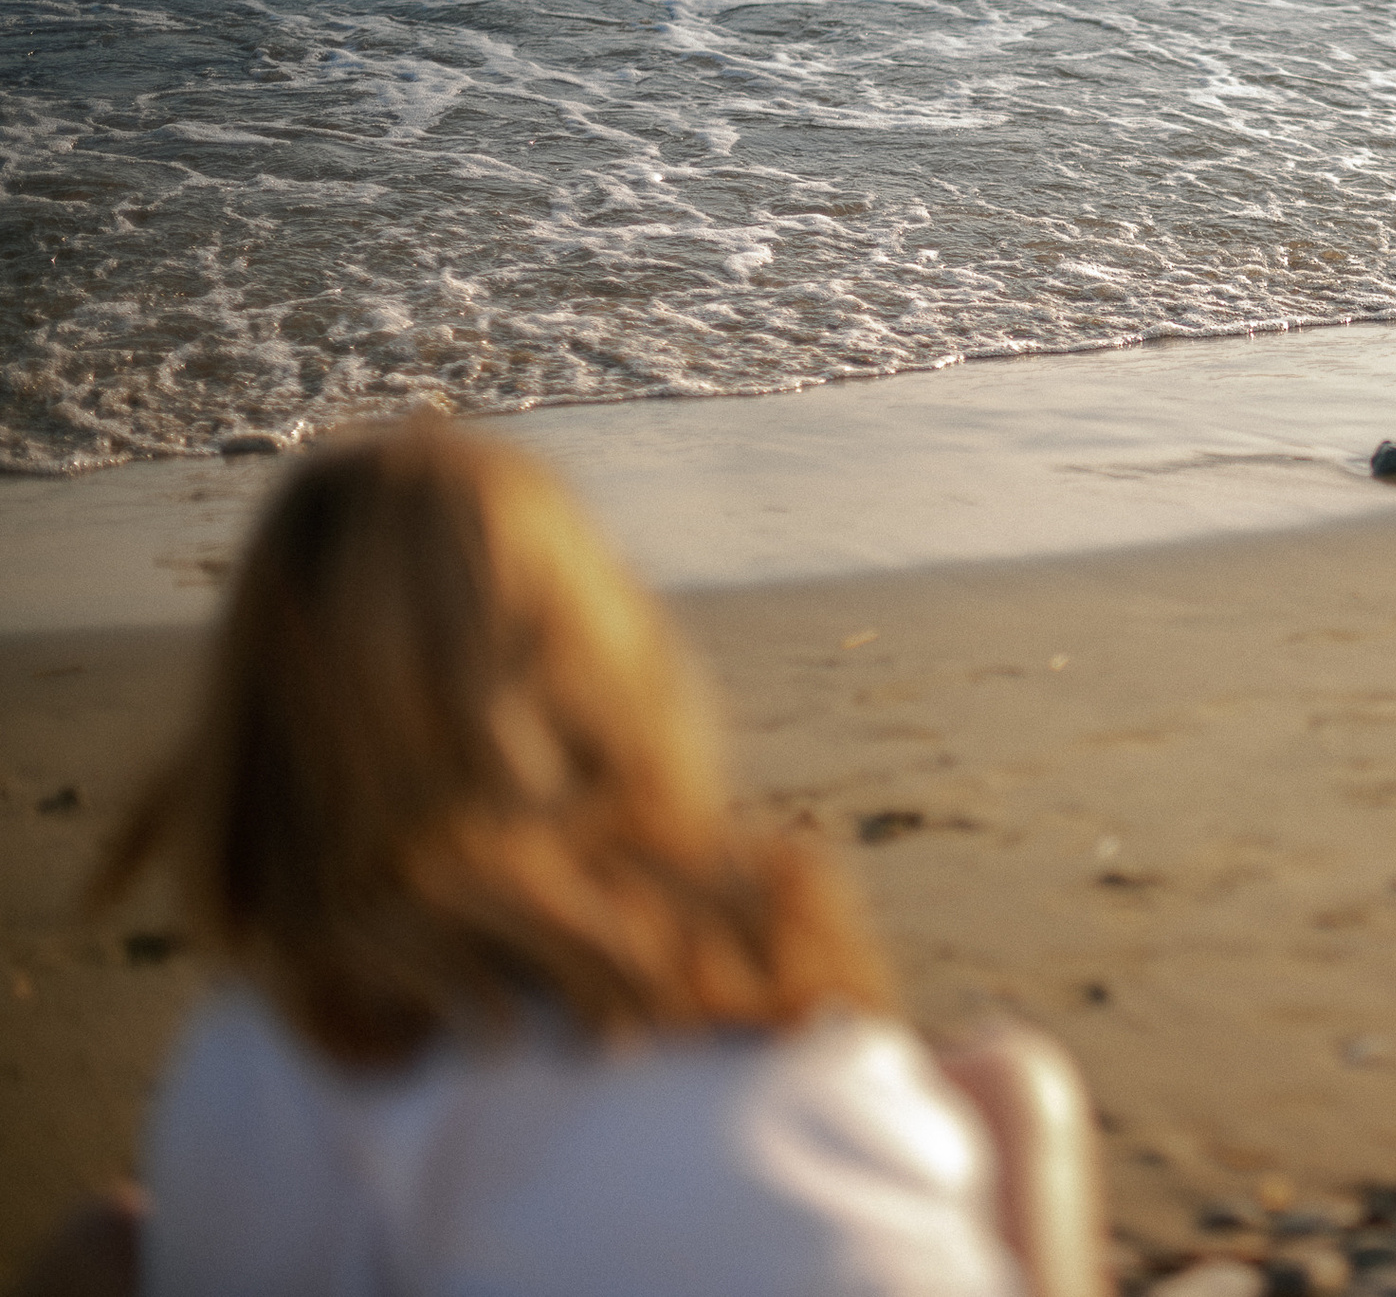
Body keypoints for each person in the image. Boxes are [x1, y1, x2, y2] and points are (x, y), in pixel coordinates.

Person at [28, 418, 1104, 1297]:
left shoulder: (295, 1040)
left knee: (102, 1248)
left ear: (265, 724)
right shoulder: (751, 923)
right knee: (1010, 1081)